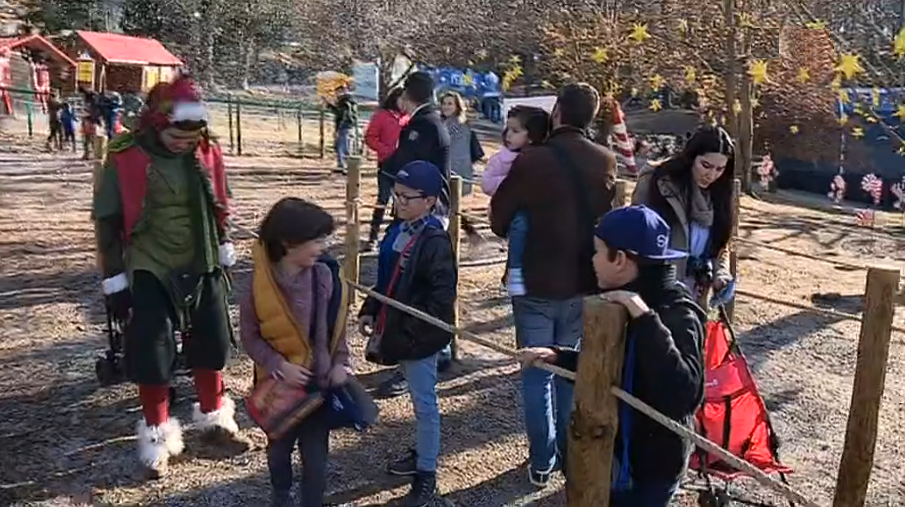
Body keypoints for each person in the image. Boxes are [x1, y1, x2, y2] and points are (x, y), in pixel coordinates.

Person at [92, 74, 247, 479]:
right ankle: (157, 439)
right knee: (152, 349)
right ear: (159, 123)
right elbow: (107, 220)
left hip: (201, 255)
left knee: (212, 338)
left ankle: (216, 421)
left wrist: (224, 244)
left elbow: (221, 201)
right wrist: (114, 280)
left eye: (191, 136)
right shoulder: (125, 154)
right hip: (150, 259)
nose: (185, 143)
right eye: (177, 135)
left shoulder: (207, 149)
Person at [517, 204, 706, 506]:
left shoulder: (676, 312)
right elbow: (617, 365)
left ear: (619, 259)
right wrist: (559, 357)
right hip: (612, 449)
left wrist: (644, 319)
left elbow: (684, 394)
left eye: (597, 251)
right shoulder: (617, 303)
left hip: (651, 468)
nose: (592, 260)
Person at [489, 82, 617, 487]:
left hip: (537, 281)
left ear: (558, 111)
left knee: (536, 372)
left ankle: (542, 460)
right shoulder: (604, 159)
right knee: (568, 370)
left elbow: (499, 215)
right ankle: (567, 454)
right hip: (583, 282)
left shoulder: (534, 160)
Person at [240, 197, 351, 507]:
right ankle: (281, 495)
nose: (323, 246)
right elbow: (249, 336)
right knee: (278, 452)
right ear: (290, 243)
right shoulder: (257, 285)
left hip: (317, 387)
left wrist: (341, 363)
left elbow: (335, 329)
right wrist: (278, 365)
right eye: (317, 240)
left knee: (316, 460)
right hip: (277, 390)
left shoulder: (324, 276)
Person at [358, 160, 457, 507]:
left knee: (425, 404)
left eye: (407, 197)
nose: (398, 202)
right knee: (419, 402)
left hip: (418, 337)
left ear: (430, 201)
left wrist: (409, 335)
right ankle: (421, 457)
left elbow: (442, 299)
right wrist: (370, 308)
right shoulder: (396, 229)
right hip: (397, 330)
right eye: (396, 195)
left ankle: (427, 473)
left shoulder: (434, 241)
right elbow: (387, 279)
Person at [376, 71, 454, 397]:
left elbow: (406, 163)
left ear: (409, 97)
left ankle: (420, 356)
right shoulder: (430, 122)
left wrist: (389, 167)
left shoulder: (422, 126)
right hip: (425, 206)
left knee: (415, 285)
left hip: (427, 209)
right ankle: (441, 349)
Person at [631, 125, 736, 303]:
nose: (711, 175)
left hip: (695, 294)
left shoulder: (720, 193)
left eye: (719, 169)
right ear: (691, 157)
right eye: (706, 165)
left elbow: (720, 245)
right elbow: (634, 234)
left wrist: (721, 274)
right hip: (655, 290)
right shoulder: (657, 181)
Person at [481, 105, 550, 293]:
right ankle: (513, 275)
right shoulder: (501, 159)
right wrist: (513, 181)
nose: (509, 135)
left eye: (516, 131)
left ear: (532, 134)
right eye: (508, 129)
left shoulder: (542, 157)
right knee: (519, 235)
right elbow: (487, 183)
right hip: (509, 211)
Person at [364, 86, 408, 249]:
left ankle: (396, 235)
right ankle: (372, 236)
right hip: (386, 164)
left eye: (406, 100)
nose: (404, 103)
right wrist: (385, 150)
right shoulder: (382, 115)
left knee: (402, 201)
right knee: (383, 198)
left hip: (404, 165)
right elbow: (370, 137)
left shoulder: (409, 118)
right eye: (401, 99)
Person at [439, 90, 484, 241]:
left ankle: (470, 234)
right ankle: (470, 234)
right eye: (444, 103)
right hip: (453, 169)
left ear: (457, 106)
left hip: (454, 170)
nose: (446, 107)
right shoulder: (451, 122)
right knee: (450, 205)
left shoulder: (455, 124)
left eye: (450, 104)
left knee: (450, 205)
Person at [326, 83, 358, 174]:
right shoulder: (348, 101)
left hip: (345, 127)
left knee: (343, 147)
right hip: (348, 127)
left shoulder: (345, 101)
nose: (336, 94)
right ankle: (343, 166)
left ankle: (345, 168)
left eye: (337, 91)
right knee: (343, 147)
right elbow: (339, 112)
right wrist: (330, 105)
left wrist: (339, 128)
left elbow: (343, 115)